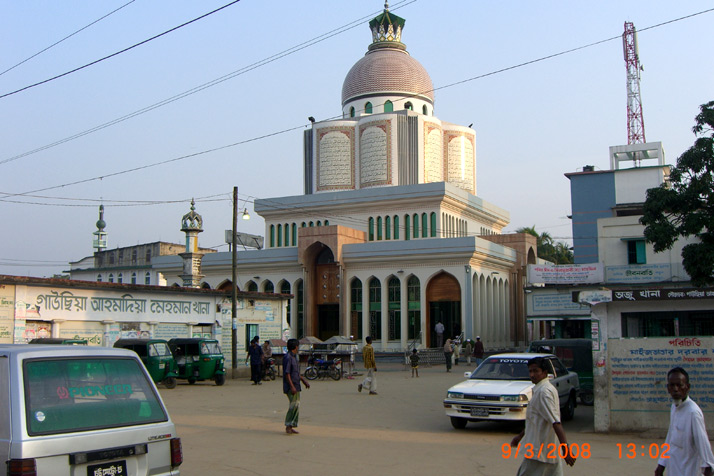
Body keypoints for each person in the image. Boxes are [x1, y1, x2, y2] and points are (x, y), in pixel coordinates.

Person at [510, 357, 576, 475]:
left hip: (538, 452)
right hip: (546, 452)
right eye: (530, 371)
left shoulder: (544, 393)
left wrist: (566, 450)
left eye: (536, 371)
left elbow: (555, 422)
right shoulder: (542, 390)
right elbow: (535, 420)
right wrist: (520, 437)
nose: (532, 375)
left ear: (545, 373)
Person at [655, 367, 714, 476]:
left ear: (687, 387)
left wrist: (708, 467)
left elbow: (703, 444)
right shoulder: (674, 407)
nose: (676, 389)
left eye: (679, 385)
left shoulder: (693, 413)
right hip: (674, 469)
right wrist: (661, 464)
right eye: (672, 385)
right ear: (668, 388)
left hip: (688, 471)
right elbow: (670, 438)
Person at [283, 338, 310, 434]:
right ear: (295, 347)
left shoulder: (294, 357)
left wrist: (303, 380)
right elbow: (287, 373)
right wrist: (292, 386)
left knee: (296, 405)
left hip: (296, 384)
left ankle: (292, 424)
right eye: (298, 346)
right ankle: (288, 425)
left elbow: (296, 372)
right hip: (291, 386)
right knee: (293, 405)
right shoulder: (288, 358)